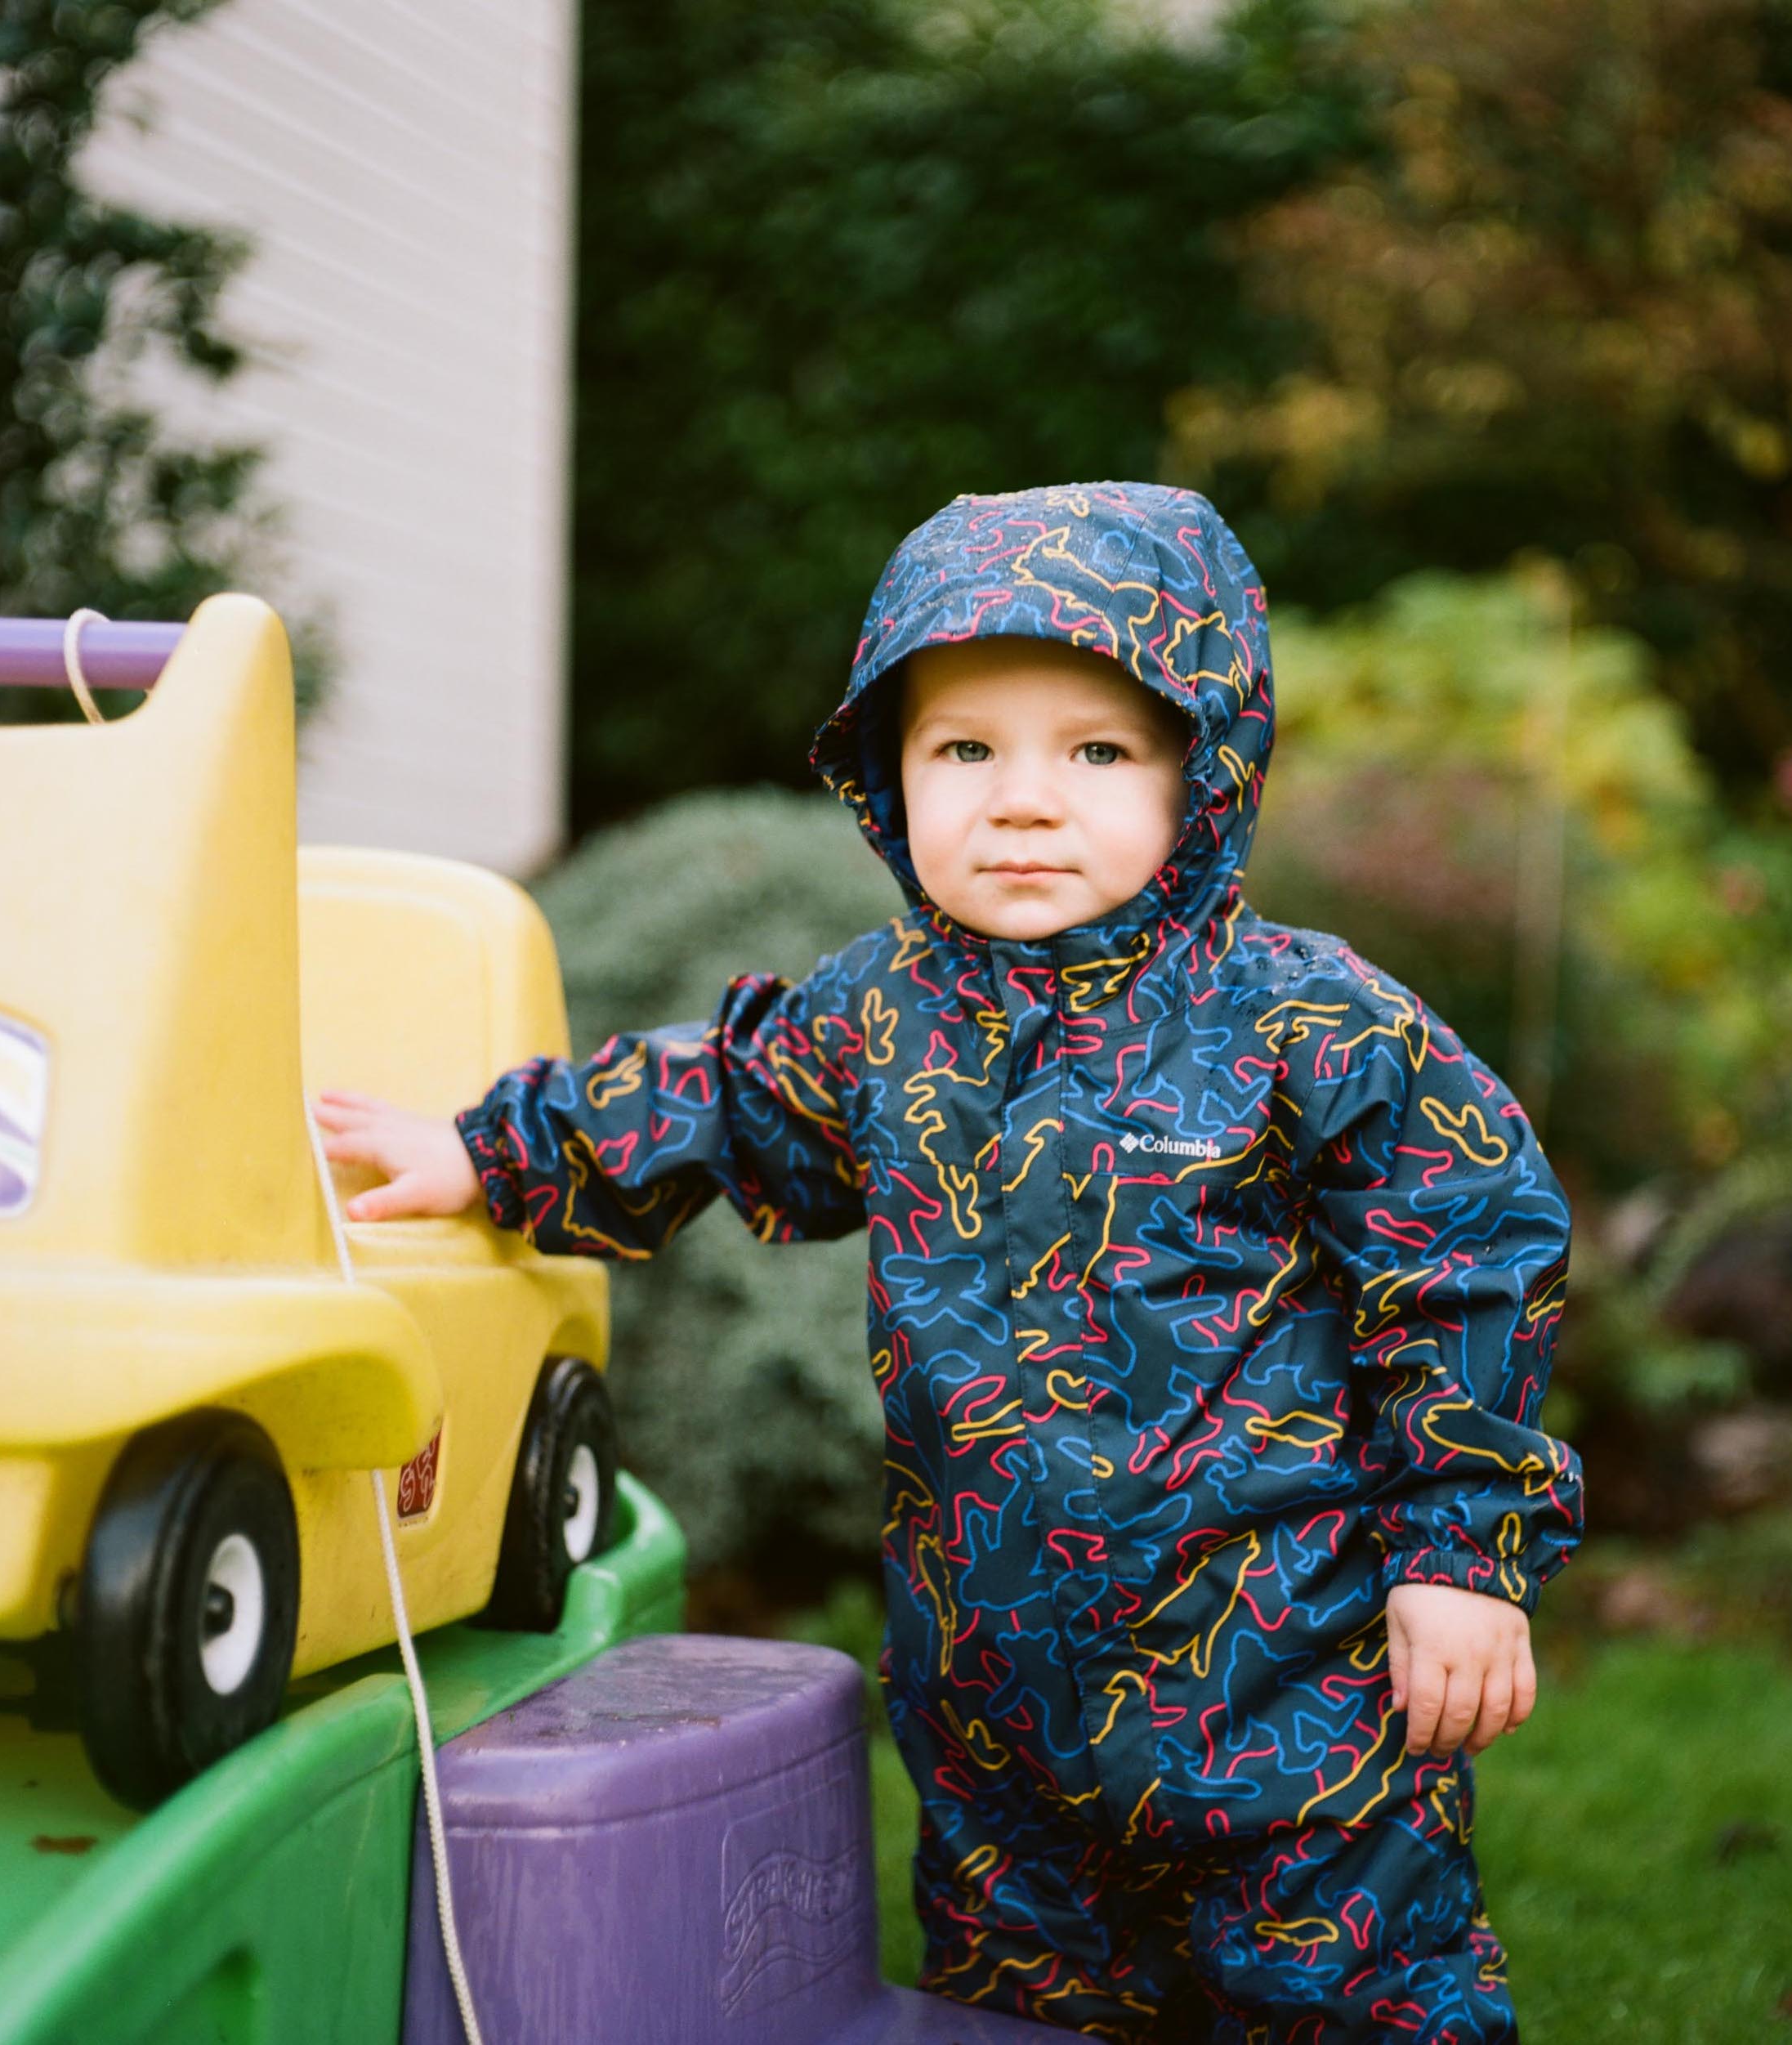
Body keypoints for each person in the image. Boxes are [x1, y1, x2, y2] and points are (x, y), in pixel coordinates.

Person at [316, 481, 1581, 2043]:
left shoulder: (1304, 1023)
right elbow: (718, 1095)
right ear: (884, 773)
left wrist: (1461, 1559)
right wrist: (490, 1152)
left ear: (1205, 769)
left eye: (1095, 750)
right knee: (1026, 2008)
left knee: (1348, 2001)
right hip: (1001, 1726)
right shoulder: (883, 1016)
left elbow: (1466, 1252)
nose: (1022, 799)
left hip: (1293, 1701)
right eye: (962, 748)